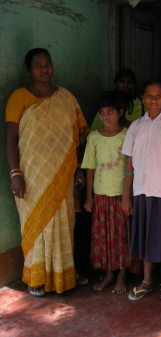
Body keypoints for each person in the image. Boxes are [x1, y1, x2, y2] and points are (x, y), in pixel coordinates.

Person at [5, 48, 88, 296]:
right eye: (38, 65)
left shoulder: (65, 97)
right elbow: (10, 138)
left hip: (62, 174)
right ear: (29, 70)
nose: (44, 69)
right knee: (37, 224)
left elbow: (75, 138)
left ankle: (66, 273)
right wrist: (15, 174)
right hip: (32, 176)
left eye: (48, 64)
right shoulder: (18, 97)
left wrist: (76, 169)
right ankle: (37, 279)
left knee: (63, 223)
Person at [122, 78, 161, 304]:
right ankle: (147, 280)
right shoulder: (135, 126)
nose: (153, 100)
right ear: (142, 98)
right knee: (146, 237)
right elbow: (129, 165)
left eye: (158, 96)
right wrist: (126, 196)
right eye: (149, 95)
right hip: (141, 192)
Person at [81, 91, 131, 294]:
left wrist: (128, 196)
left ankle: (121, 276)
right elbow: (90, 167)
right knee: (105, 238)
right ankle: (109, 273)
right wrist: (88, 197)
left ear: (120, 112)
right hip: (101, 196)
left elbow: (130, 166)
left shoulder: (127, 135)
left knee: (120, 237)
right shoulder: (94, 137)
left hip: (120, 196)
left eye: (109, 112)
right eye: (101, 113)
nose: (105, 117)